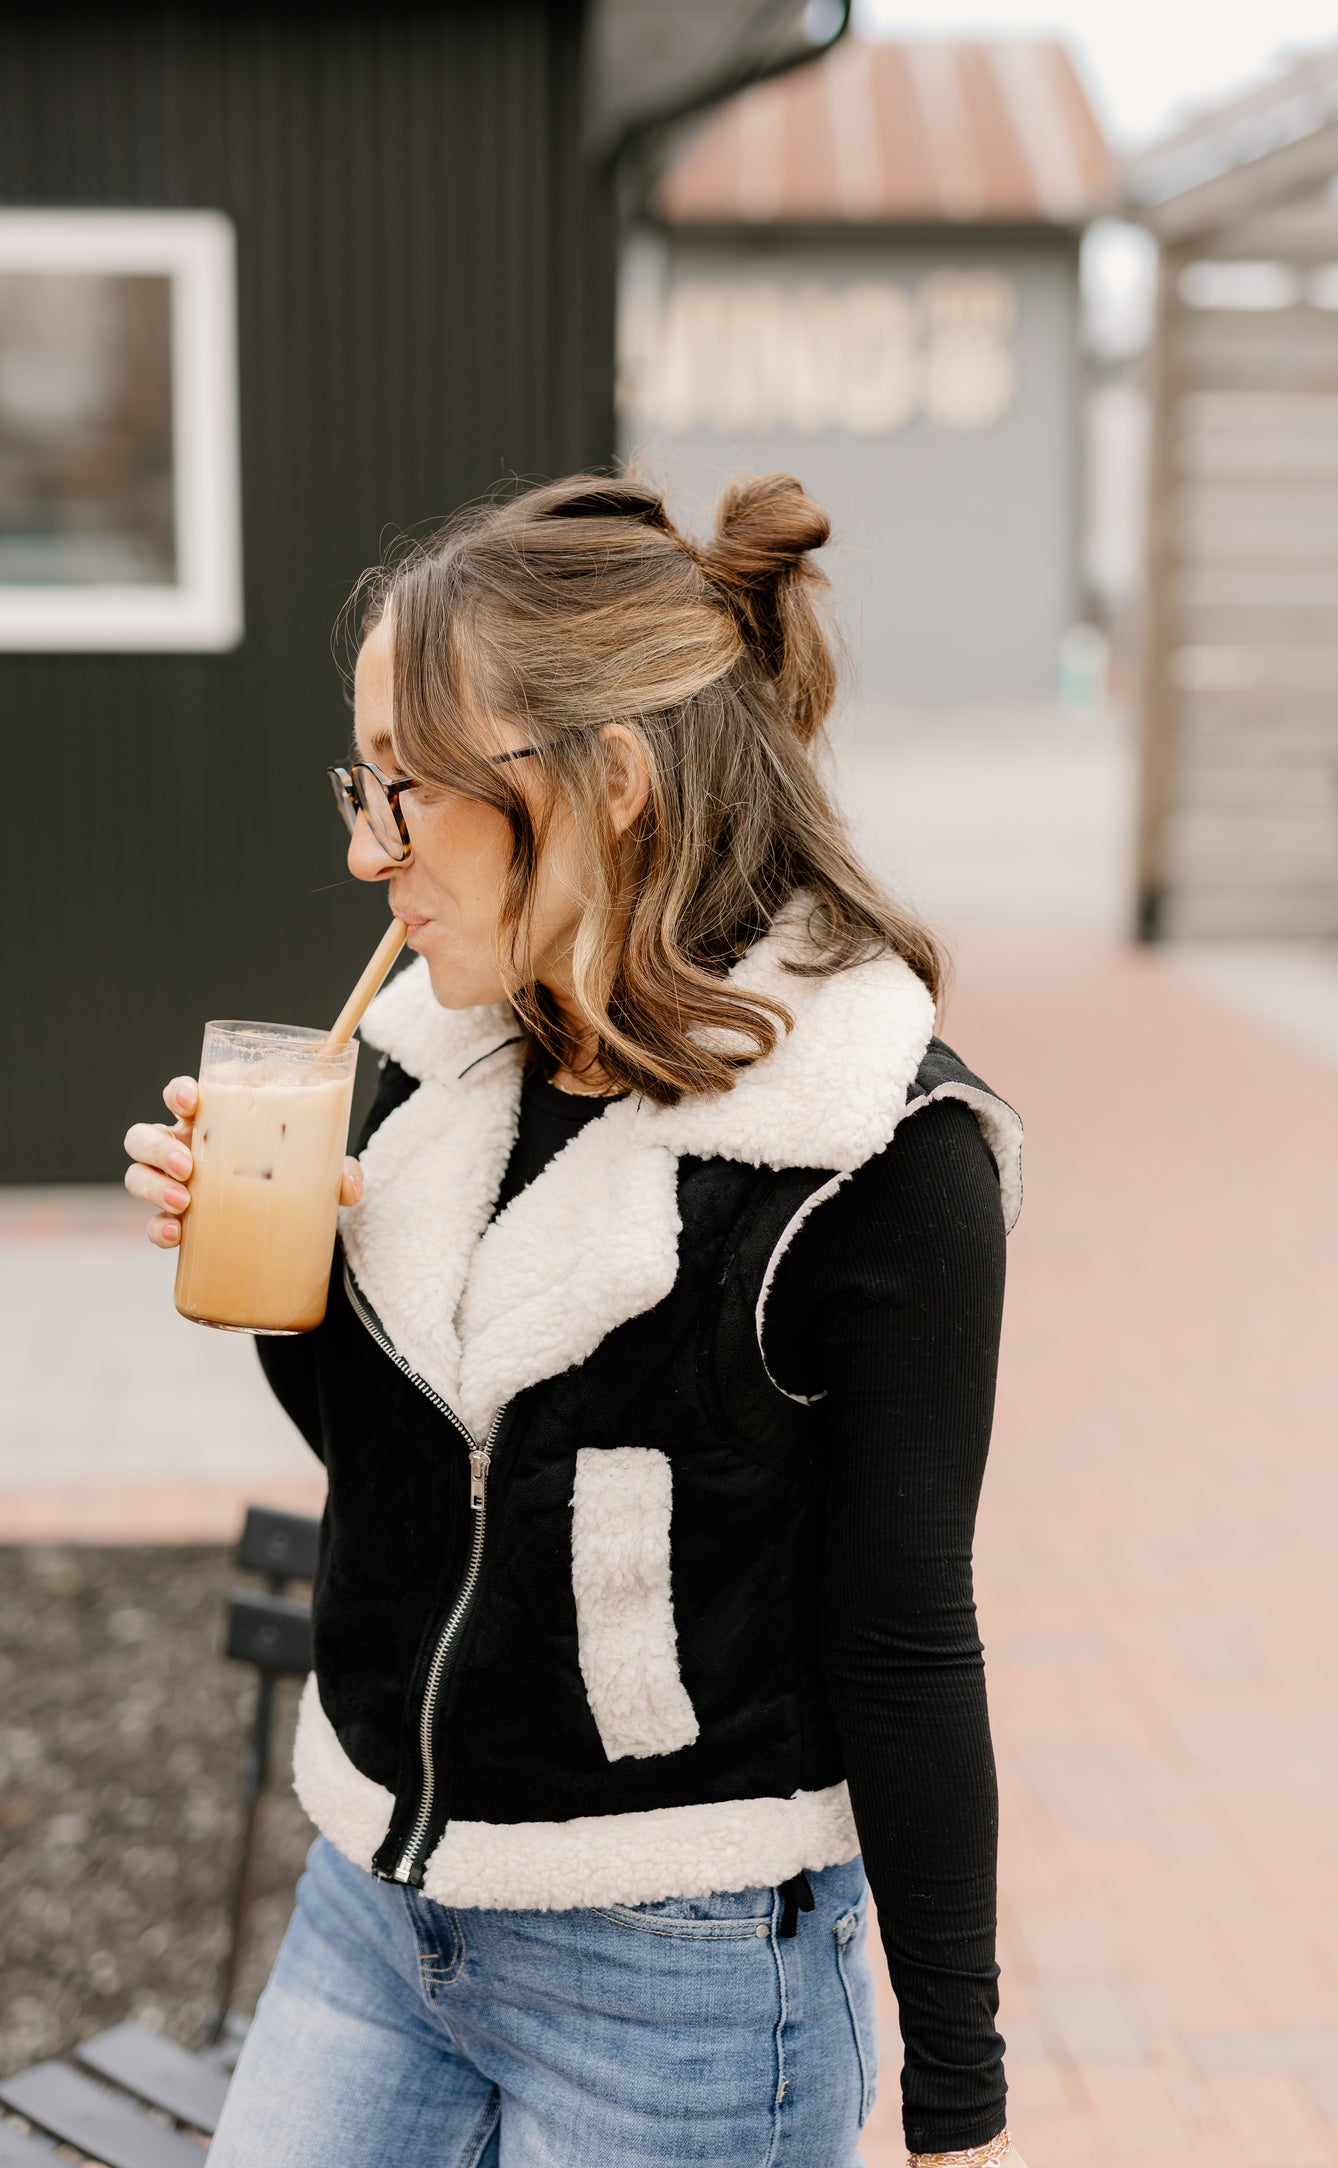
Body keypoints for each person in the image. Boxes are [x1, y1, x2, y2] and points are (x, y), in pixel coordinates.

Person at [123, 472, 1025, 2168]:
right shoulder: (425, 1061)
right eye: (359, 781)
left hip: (675, 1973)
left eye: (403, 791)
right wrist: (290, 1285)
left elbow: (905, 1639)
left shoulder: (875, 1153)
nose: (359, 848)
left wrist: (959, 2099)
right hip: (377, 1903)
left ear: (607, 783)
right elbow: (420, 1479)